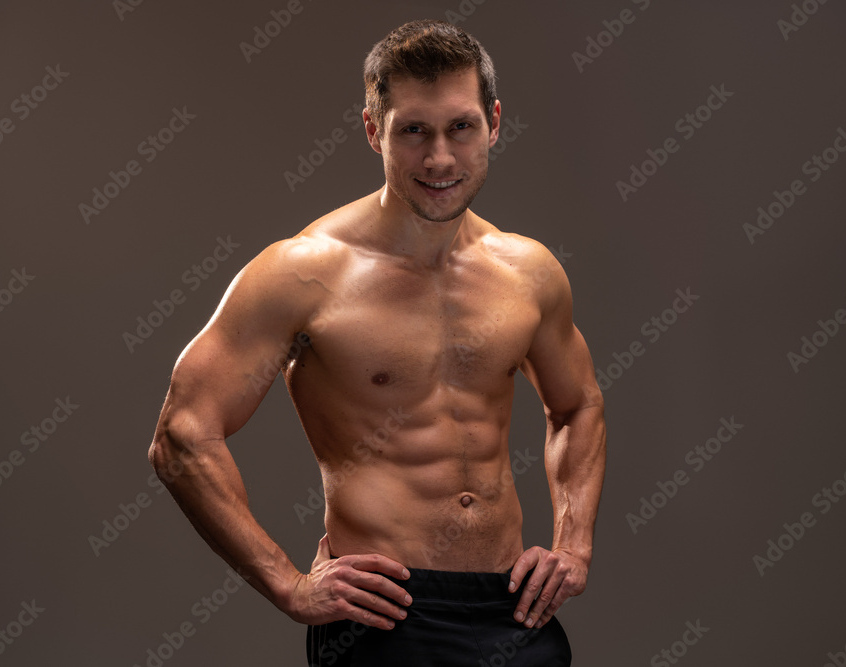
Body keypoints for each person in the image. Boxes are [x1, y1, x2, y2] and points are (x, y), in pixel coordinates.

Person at [148, 19, 606, 666]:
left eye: (461, 127)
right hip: (383, 618)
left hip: (514, 610)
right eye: (413, 130)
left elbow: (578, 405)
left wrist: (573, 545)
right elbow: (182, 435)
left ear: (495, 123)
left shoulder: (528, 272)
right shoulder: (304, 272)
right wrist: (287, 582)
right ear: (373, 130)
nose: (440, 158)